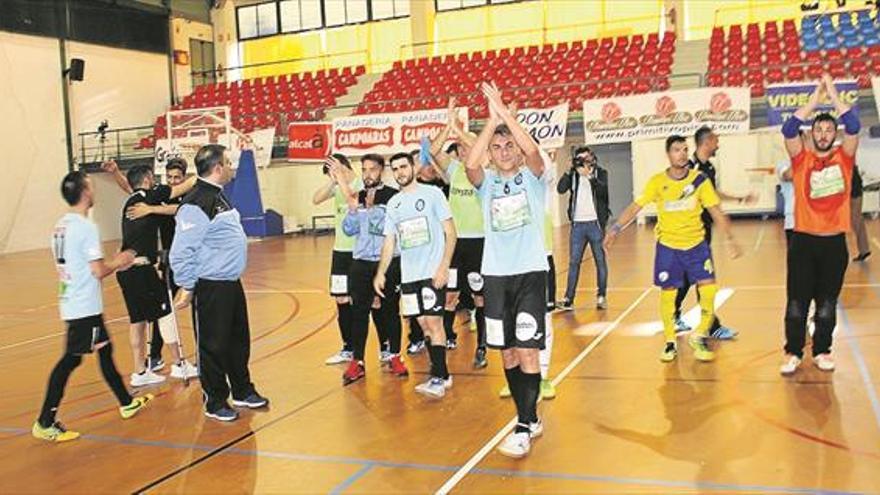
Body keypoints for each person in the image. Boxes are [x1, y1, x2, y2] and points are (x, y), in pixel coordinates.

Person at [33, 171, 152, 443]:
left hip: (74, 300)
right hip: (83, 305)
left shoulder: (61, 225)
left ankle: (125, 402)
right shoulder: (85, 227)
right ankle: (45, 421)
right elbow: (98, 270)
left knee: (105, 349)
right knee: (71, 360)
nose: (94, 189)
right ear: (85, 192)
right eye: (91, 185)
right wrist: (120, 260)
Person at [604, 134, 742, 364]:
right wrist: (615, 228)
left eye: (685, 149)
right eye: (677, 150)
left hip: (697, 245)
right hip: (669, 248)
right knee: (668, 296)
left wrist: (730, 237)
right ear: (668, 154)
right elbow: (636, 206)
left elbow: (716, 210)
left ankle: (699, 336)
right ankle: (670, 342)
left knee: (709, 291)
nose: (682, 154)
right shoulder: (657, 182)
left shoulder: (699, 180)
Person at [466, 82, 547, 458]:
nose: (502, 151)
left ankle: (523, 424)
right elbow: (470, 163)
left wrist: (505, 113)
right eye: (495, 148)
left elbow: (532, 150)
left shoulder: (532, 178)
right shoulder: (485, 185)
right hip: (496, 277)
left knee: (528, 351)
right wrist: (492, 120)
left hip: (530, 273)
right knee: (509, 354)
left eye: (507, 145)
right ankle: (527, 414)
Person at [170, 144, 269, 421]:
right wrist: (188, 286)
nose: (231, 167)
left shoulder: (219, 197)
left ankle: (242, 389)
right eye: (228, 162)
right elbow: (181, 252)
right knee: (213, 345)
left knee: (238, 340)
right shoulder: (196, 202)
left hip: (230, 282)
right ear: (217, 168)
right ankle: (214, 401)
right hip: (210, 285)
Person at [779, 74, 860, 375]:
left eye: (828, 130)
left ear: (834, 135)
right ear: (811, 134)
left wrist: (834, 93)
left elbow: (853, 125)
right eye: (818, 129)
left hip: (833, 243)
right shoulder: (801, 158)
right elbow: (789, 128)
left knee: (827, 304)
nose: (824, 134)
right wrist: (815, 97)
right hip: (803, 242)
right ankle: (793, 352)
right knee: (797, 304)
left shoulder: (845, 157)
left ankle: (823, 349)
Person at [375, 152, 457, 399]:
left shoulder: (432, 194)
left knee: (434, 323)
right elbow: (390, 242)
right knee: (421, 324)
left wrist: (443, 266)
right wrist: (381, 272)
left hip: (432, 272)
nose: (400, 172)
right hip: (409, 276)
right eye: (395, 168)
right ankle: (442, 374)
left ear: (413, 168)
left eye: (403, 166)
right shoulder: (394, 204)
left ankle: (440, 376)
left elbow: (451, 234)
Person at [102, 158, 190, 372]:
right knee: (165, 312)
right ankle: (177, 364)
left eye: (177, 178)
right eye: (169, 177)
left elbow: (179, 207)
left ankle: (140, 371)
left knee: (139, 320)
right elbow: (132, 186)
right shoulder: (152, 194)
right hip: (147, 265)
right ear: (152, 179)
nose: (172, 181)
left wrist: (151, 210)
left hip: (135, 267)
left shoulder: (139, 201)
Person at [672, 126, 754, 340]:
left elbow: (712, 194)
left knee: (690, 278)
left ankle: (673, 314)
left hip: (703, 232)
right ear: (706, 142)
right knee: (704, 280)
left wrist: (738, 199)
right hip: (691, 235)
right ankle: (712, 325)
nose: (717, 144)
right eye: (715, 140)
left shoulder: (708, 168)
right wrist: (729, 236)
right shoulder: (689, 170)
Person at [336, 154, 408, 384]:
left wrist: (373, 210)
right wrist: (354, 210)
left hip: (388, 262)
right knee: (359, 314)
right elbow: (348, 230)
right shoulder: (356, 197)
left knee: (390, 310)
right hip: (361, 262)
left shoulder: (393, 197)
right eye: (364, 170)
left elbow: (392, 230)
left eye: (373, 170)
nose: (368, 174)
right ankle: (357, 361)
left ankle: (395, 355)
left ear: (381, 171)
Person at [427, 98, 488, 368]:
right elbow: (433, 150)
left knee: (479, 295)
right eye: (460, 148)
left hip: (479, 243)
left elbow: (479, 147)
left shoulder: (484, 171)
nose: (463, 151)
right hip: (454, 244)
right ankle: (449, 336)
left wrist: (463, 133)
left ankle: (483, 346)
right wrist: (449, 124)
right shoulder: (453, 171)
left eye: (466, 147)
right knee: (449, 295)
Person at [312, 154, 365, 365]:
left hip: (361, 252)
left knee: (366, 300)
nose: (332, 175)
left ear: (343, 165)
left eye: (334, 169)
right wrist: (333, 180)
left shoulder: (361, 183)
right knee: (341, 299)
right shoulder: (335, 186)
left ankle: (386, 346)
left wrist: (341, 177)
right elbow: (315, 199)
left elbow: (353, 198)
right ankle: (348, 347)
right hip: (340, 252)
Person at [556, 145, 611, 311]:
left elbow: (603, 192)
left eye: (585, 158)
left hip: (595, 224)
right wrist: (568, 170)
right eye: (579, 159)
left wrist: (590, 177)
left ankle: (601, 296)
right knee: (574, 263)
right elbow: (560, 189)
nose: (583, 162)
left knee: (600, 261)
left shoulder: (600, 173)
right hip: (578, 225)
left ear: (592, 158)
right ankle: (568, 299)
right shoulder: (573, 174)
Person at [850, 165, 871, 262]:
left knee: (856, 220)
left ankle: (864, 250)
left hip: (854, 193)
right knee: (857, 220)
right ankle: (864, 250)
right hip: (854, 192)